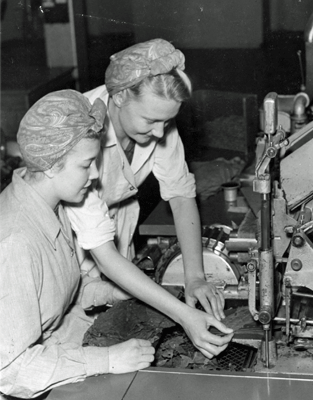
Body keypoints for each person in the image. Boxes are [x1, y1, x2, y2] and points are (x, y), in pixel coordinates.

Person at [65, 39, 233, 355]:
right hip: (70, 245)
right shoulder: (81, 134)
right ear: (118, 97)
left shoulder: (157, 121)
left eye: (167, 122)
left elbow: (182, 196)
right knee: (81, 343)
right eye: (151, 121)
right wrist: (184, 315)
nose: (160, 133)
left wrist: (194, 277)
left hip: (117, 231)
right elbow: (102, 252)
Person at [0, 90, 157, 398]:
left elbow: (55, 291)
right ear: (50, 165)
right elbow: (10, 368)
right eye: (86, 165)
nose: (95, 174)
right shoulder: (14, 242)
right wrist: (108, 359)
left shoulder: (49, 206)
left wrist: (110, 292)